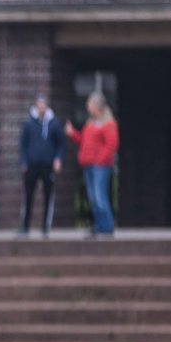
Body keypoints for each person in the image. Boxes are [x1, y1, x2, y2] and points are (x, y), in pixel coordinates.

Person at [65, 91, 119, 238]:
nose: (87, 106)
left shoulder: (108, 123)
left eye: (89, 103)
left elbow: (112, 144)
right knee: (92, 197)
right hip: (88, 165)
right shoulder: (90, 123)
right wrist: (72, 134)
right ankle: (98, 226)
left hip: (99, 166)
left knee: (99, 196)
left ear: (97, 105)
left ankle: (107, 227)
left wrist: (101, 160)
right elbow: (84, 141)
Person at [18, 95, 63, 238]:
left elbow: (60, 144)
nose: (42, 108)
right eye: (40, 105)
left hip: (48, 165)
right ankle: (25, 226)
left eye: (44, 105)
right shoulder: (29, 124)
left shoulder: (54, 124)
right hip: (32, 165)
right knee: (29, 195)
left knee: (48, 196)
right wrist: (24, 161)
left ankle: (45, 226)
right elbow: (23, 144)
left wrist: (58, 159)